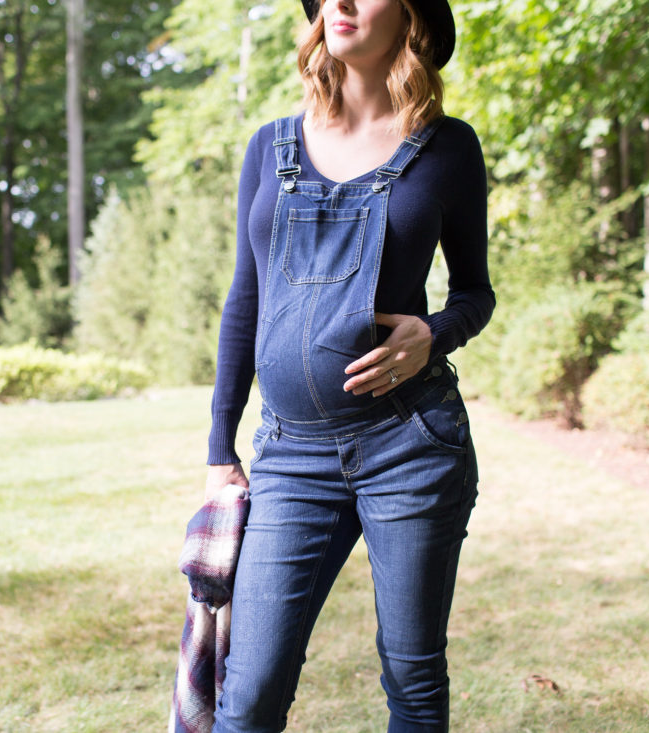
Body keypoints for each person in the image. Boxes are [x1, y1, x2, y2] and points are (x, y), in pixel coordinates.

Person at [203, 0, 495, 730]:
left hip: (410, 444)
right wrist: (219, 447)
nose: (339, 3)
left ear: (411, 17)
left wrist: (433, 332)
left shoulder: (448, 148)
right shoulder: (270, 147)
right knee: (250, 691)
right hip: (292, 454)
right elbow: (246, 298)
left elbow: (475, 294)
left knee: (412, 673)